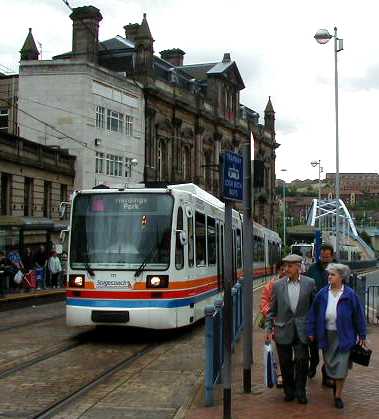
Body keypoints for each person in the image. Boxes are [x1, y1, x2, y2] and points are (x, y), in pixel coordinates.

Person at [308, 263, 367, 409]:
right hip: (327, 335)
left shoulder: (350, 294)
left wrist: (362, 335)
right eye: (329, 274)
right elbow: (313, 314)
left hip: (345, 336)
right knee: (330, 364)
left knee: (341, 366)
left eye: (333, 275)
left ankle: (338, 395)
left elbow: (358, 316)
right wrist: (310, 331)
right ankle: (334, 383)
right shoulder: (322, 293)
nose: (329, 277)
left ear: (341, 277)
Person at [265, 254, 316, 404]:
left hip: (302, 330)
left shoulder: (310, 283)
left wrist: (312, 329)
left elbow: (314, 309)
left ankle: (301, 390)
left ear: (298, 267)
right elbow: (271, 310)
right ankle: (289, 390)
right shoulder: (278, 285)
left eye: (290, 266)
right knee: (285, 362)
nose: (286, 269)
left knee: (302, 361)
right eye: (285, 265)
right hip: (283, 329)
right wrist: (268, 329)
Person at [306, 244, 335, 382]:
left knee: (329, 348)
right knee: (313, 345)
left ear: (332, 256)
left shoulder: (337, 270)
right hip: (315, 314)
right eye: (322, 256)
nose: (324, 259)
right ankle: (314, 363)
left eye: (327, 257)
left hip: (331, 315)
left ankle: (326, 374)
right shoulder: (312, 269)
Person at [260, 260, 287, 387]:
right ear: (278, 270)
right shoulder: (271, 285)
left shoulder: (295, 284)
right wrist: (271, 315)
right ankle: (280, 374)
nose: (284, 272)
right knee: (277, 349)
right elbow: (264, 302)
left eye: (286, 268)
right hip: (276, 323)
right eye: (282, 269)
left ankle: (288, 373)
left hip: (290, 324)